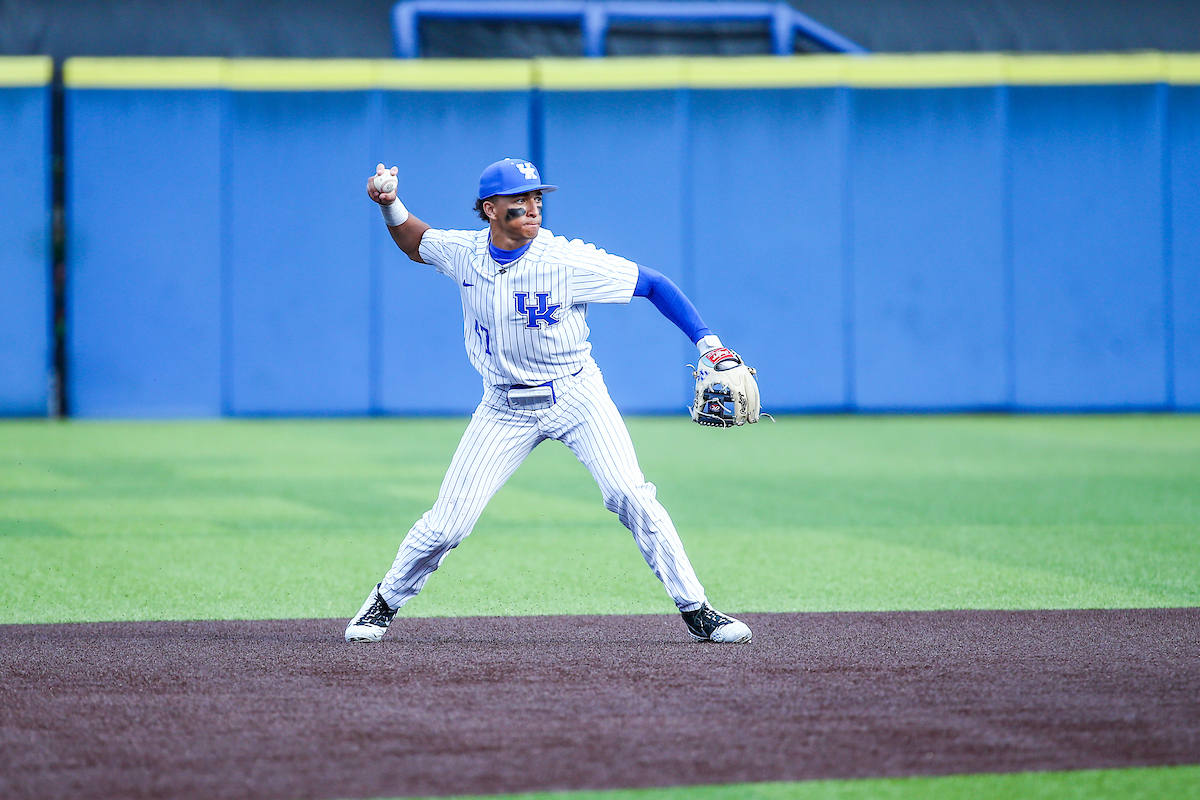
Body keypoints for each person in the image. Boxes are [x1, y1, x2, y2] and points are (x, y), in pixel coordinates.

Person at [346, 157, 754, 644]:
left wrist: (708, 342)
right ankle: (383, 602)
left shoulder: (566, 260)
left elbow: (653, 284)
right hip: (502, 408)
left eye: (538, 198)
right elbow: (416, 242)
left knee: (631, 496)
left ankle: (697, 610)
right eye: (520, 200)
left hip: (577, 395)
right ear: (490, 209)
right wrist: (390, 203)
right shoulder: (464, 253)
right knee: (447, 525)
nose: (534, 208)